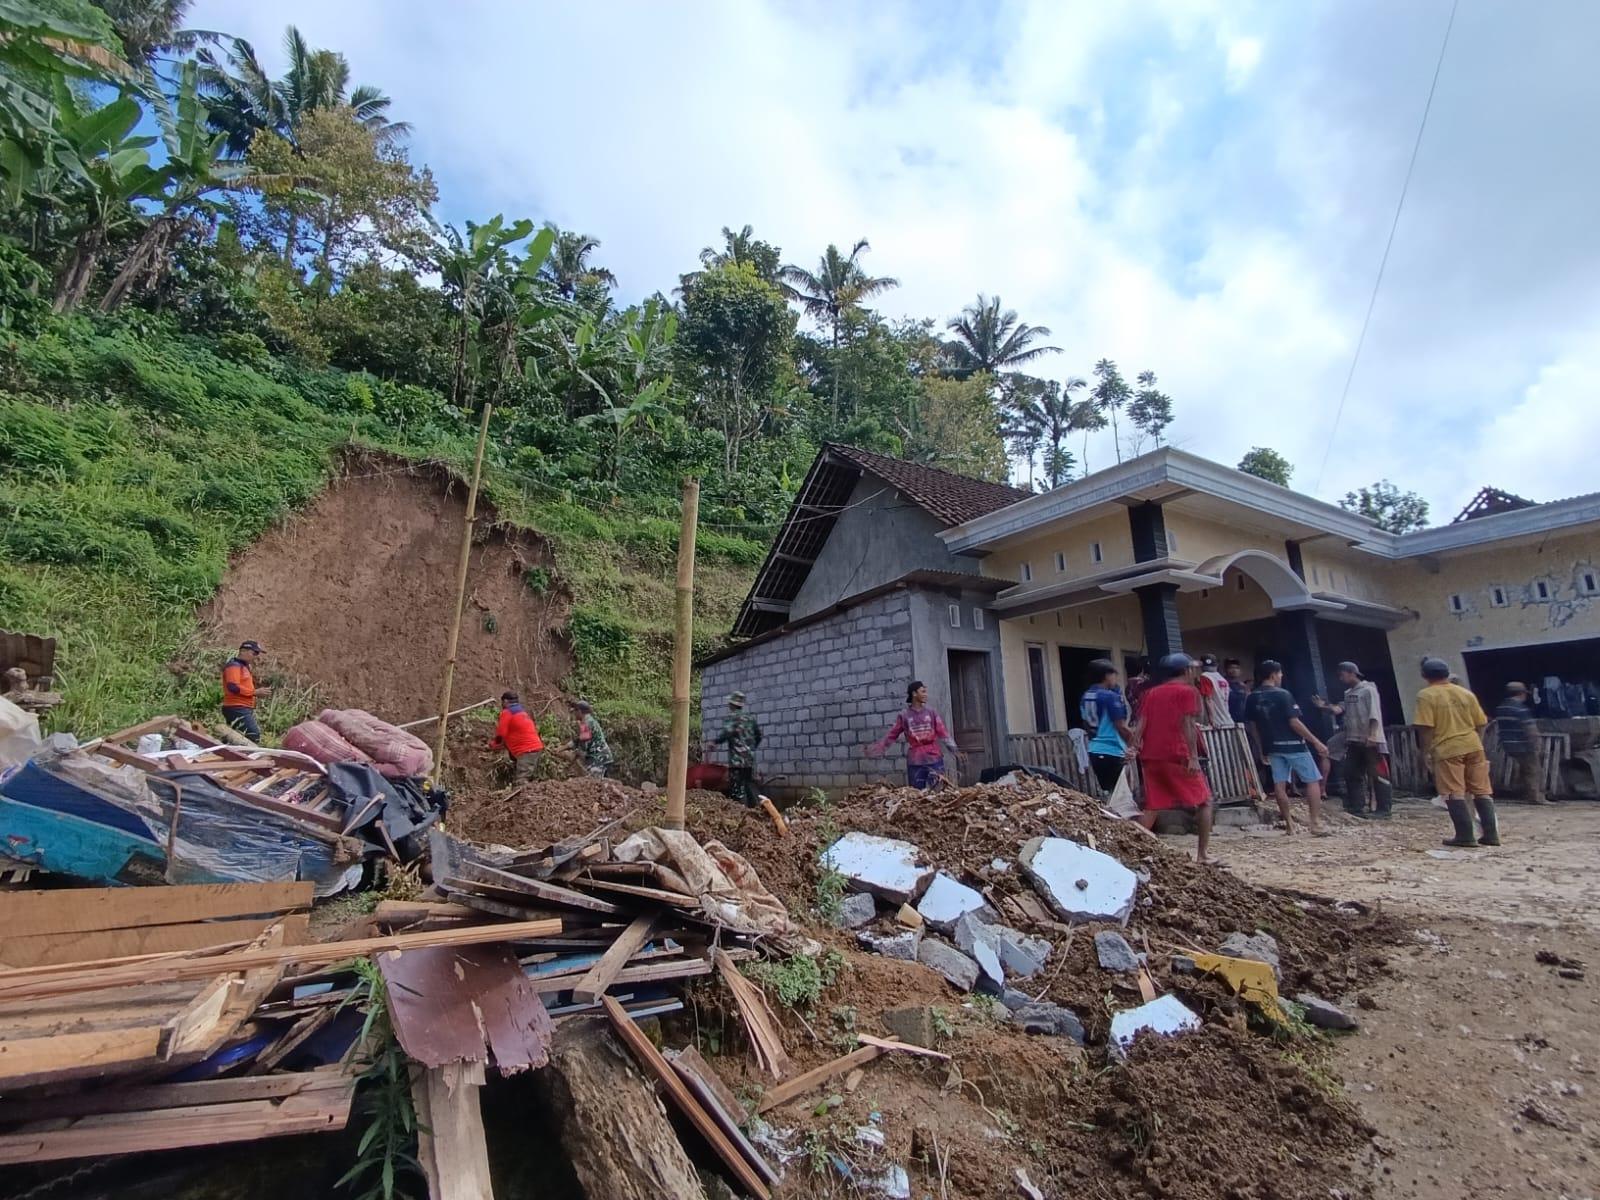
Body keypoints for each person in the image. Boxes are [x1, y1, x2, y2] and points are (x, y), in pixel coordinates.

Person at [1129, 653, 1215, 864]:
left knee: (1152, 807)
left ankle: (1127, 850)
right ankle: (1202, 855)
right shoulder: (1188, 691)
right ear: (1186, 671)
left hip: (1150, 757)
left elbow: (1141, 722)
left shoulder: (1150, 693)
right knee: (1205, 801)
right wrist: (1193, 756)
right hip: (1177, 755)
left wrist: (1133, 746)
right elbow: (1187, 724)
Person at [1415, 657, 1498, 847]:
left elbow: (1426, 728)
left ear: (1424, 676)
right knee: (1482, 791)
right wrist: (1477, 740)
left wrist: (1424, 752)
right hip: (1474, 745)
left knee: (1453, 793)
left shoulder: (1426, 695)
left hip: (1448, 749)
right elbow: (1482, 722)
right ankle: (1491, 835)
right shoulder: (1465, 693)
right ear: (1447, 673)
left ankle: (1465, 836)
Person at [1243, 659, 1330, 836]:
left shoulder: (1251, 697)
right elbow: (1294, 722)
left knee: (1279, 785)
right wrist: (1316, 741)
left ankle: (1290, 826)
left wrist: (1261, 749)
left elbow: (1253, 727)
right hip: (1294, 745)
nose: (1281, 676)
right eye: (1280, 673)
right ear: (1274, 675)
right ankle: (1315, 823)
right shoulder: (1283, 694)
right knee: (1312, 780)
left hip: (1272, 747)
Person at [1317, 662, 1392, 819]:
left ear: (1352, 673)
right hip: (1353, 739)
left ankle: (1384, 810)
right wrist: (1324, 707)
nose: (1341, 678)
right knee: (1351, 773)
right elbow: (1339, 710)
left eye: (1342, 675)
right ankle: (1356, 807)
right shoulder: (1349, 693)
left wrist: (1372, 735)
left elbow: (1374, 714)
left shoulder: (1368, 690)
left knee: (1378, 774)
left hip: (1370, 739)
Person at [870, 680, 964, 790]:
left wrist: (955, 750)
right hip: (916, 760)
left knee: (939, 793)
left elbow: (943, 733)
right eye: (923, 692)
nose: (925, 694)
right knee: (916, 794)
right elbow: (892, 734)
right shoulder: (904, 716)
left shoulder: (931, 713)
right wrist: (878, 748)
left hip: (934, 758)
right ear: (914, 694)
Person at [1079, 660, 1134, 793]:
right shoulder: (1110, 696)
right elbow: (1120, 726)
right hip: (1113, 750)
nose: (1115, 678)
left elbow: (1086, 724)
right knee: (1122, 796)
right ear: (1106, 676)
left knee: (1109, 792)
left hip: (1094, 750)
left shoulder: (1085, 696)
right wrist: (1131, 744)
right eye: (1114, 674)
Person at [1495, 682, 1547, 805]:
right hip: (1523, 744)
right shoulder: (1520, 708)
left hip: (1508, 744)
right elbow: (1530, 728)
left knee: (1524, 770)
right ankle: (1536, 797)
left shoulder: (1501, 708)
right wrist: (1537, 743)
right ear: (1522, 694)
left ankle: (1526, 793)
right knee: (1533, 770)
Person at [713, 691, 763, 807]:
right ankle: (756, 809)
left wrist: (715, 742)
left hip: (737, 762)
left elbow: (726, 733)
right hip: (749, 760)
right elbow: (759, 735)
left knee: (737, 790)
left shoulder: (732, 718)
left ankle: (741, 813)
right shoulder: (750, 718)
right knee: (749, 785)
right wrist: (751, 749)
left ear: (732, 704)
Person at [221, 640, 270, 742]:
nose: (256, 656)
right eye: (254, 653)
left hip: (241, 707)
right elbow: (233, 687)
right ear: (243, 651)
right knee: (253, 735)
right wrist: (255, 693)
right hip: (236, 707)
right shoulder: (234, 666)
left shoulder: (243, 667)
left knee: (234, 737)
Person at [490, 691, 544, 782]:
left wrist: (493, 745)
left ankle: (525, 794)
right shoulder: (522, 712)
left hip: (526, 751)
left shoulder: (507, 713)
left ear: (505, 701)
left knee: (522, 780)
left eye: (502, 702)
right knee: (529, 777)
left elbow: (501, 734)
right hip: (535, 749)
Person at [569, 699, 615, 777]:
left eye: (575, 711)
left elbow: (583, 746)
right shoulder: (590, 720)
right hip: (604, 757)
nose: (574, 714)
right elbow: (579, 740)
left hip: (598, 758)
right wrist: (561, 748)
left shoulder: (585, 724)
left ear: (580, 711)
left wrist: (574, 754)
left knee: (594, 784)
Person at [1196, 655, 1234, 727]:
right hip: (1227, 718)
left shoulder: (1205, 677)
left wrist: (1211, 719)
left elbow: (1208, 699)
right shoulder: (1222, 678)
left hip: (1217, 722)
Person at [1224, 658, 1250, 725]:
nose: (1234, 670)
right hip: (1226, 720)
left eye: (1237, 668)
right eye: (1231, 667)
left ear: (1240, 671)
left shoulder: (1244, 687)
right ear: (1226, 670)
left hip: (1242, 721)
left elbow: (1248, 702)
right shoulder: (1223, 685)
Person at [1125, 657, 1152, 721]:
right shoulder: (1144, 683)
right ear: (1141, 669)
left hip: (1135, 719)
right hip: (1146, 719)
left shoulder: (1128, 686)